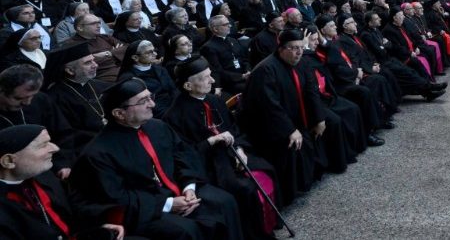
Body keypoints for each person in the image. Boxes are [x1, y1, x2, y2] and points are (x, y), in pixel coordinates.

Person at [70, 77, 243, 239]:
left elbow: (183, 156)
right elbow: (116, 198)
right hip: (147, 209)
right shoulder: (98, 153)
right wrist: (167, 204)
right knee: (186, 231)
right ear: (119, 113)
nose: (152, 104)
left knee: (225, 202)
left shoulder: (158, 127)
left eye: (150, 97)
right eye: (143, 101)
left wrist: (188, 186)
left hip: (181, 191)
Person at [164, 57, 279, 240]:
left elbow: (234, 128)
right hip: (208, 164)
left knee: (267, 167)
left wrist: (240, 148)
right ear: (187, 86)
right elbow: (184, 153)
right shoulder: (175, 115)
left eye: (211, 76)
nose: (212, 81)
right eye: (205, 78)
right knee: (245, 189)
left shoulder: (214, 100)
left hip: (230, 152)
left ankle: (268, 225)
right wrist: (210, 141)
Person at [240, 29, 325, 202]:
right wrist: (290, 130)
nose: (299, 52)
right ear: (281, 49)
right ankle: (288, 193)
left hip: (292, 118)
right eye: (294, 48)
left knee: (315, 135)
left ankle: (306, 180)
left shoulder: (301, 62)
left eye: (301, 47)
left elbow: (311, 92)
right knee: (290, 146)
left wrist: (319, 118)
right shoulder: (266, 70)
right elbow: (270, 107)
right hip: (268, 125)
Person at [0, 124, 127, 240]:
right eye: (43, 145)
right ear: (9, 161)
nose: (55, 148)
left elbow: (72, 207)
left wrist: (98, 227)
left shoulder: (43, 176)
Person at [44, 43, 110, 154]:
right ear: (70, 71)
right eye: (88, 63)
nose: (95, 65)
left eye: (93, 60)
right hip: (88, 148)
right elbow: (67, 134)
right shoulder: (55, 97)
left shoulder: (103, 86)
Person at [117, 40, 178, 119]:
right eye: (149, 52)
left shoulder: (160, 69)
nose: (155, 54)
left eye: (154, 51)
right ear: (135, 57)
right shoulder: (129, 78)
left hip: (172, 106)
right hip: (153, 112)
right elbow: (139, 105)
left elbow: (173, 90)